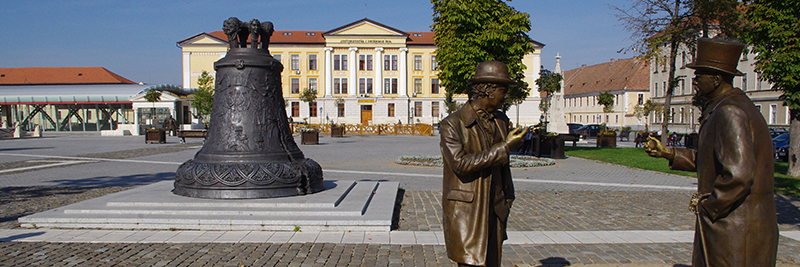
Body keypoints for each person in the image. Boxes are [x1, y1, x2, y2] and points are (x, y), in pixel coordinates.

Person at [644, 38, 778, 267]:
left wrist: (709, 207)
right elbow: (714, 159)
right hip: (738, 225)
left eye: (699, 76)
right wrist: (668, 153)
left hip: (734, 228)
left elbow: (739, 175)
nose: (694, 81)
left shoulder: (730, 112)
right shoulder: (729, 106)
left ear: (716, 79)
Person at [439, 61, 527, 267]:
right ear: (487, 90)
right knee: (471, 263)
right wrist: (504, 147)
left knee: (493, 262)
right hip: (468, 210)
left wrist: (507, 198)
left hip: (495, 206)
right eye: (502, 90)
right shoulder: (452, 124)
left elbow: (503, 166)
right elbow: (460, 164)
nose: (505, 96)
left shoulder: (501, 120)